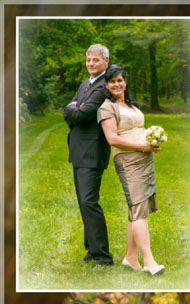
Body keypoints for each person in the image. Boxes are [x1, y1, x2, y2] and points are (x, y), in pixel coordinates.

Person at [97, 64, 164, 275]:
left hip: (145, 159)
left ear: (125, 82)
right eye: (112, 81)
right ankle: (150, 262)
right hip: (128, 161)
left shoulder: (131, 106)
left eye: (120, 80)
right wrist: (143, 146)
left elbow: (139, 129)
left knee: (137, 208)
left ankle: (131, 257)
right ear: (107, 85)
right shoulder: (106, 108)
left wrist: (153, 141)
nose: (117, 84)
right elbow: (112, 138)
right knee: (138, 210)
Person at [63, 43, 112, 268]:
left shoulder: (104, 86)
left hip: (92, 152)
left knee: (89, 201)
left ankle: (103, 256)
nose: (91, 63)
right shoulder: (85, 84)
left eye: (96, 60)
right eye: (88, 59)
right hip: (78, 150)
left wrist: (75, 108)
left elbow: (81, 113)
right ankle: (92, 250)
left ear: (106, 62)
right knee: (83, 203)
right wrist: (74, 109)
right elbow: (68, 113)